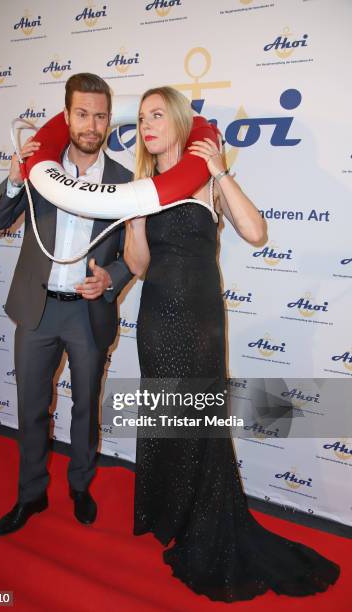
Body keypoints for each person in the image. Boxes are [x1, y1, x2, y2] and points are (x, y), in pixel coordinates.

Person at [124, 86, 340, 602]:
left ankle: (204, 522)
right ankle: (169, 512)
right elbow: (138, 266)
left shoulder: (205, 181)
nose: (146, 125)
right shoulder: (143, 185)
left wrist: (219, 171)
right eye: (140, 117)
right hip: (155, 319)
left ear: (178, 121)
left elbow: (256, 232)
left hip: (198, 321)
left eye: (157, 115)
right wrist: (134, 218)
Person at [0, 73, 133, 536]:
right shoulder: (38, 168)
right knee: (31, 406)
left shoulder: (126, 181)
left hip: (88, 314)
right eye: (82, 113)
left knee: (86, 405)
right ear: (66, 116)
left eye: (100, 115)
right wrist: (13, 178)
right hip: (37, 309)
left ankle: (80, 486)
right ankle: (30, 495)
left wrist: (113, 277)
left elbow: (137, 254)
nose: (91, 124)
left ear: (109, 120)